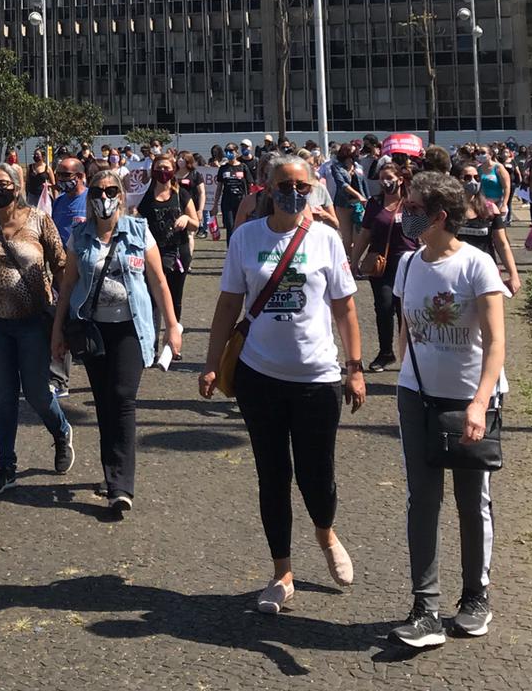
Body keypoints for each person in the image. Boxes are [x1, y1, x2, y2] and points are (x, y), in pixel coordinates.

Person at [200, 156, 365, 614]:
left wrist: (355, 368)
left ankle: (326, 532)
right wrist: (211, 363)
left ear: (312, 189)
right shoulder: (246, 238)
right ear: (267, 188)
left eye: (301, 186)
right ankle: (282, 572)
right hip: (259, 376)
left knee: (317, 474)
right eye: (284, 185)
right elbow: (228, 304)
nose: (293, 193)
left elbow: (345, 308)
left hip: (317, 377)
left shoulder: (326, 239)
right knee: (272, 476)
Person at [390, 172, 507, 649]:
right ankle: (425, 608)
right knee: (422, 498)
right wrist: (406, 376)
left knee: (471, 499)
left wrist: (480, 402)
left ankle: (476, 597)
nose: (405, 213)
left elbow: (496, 342)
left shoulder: (477, 265)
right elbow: (405, 329)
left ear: (440, 216)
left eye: (414, 207)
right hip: (417, 396)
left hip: (470, 400)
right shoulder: (407, 264)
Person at [51, 169, 182, 514]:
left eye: (111, 191)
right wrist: (57, 332)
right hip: (93, 330)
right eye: (98, 191)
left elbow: (159, 281)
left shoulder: (139, 231)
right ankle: (112, 472)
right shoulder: (80, 236)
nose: (104, 197)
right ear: (90, 197)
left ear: (121, 196)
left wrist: (173, 326)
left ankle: (121, 485)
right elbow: (67, 286)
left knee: (123, 397)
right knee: (104, 402)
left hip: (130, 328)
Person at [0, 163, 74, 496]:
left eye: (3, 183)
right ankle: (6, 465)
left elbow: (62, 266)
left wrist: (65, 317)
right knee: (4, 397)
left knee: (38, 394)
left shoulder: (39, 220)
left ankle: (61, 431)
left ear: (17, 186)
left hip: (33, 322)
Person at [348, 162, 418, 372]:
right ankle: (386, 352)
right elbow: (365, 234)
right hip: (380, 264)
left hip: (408, 263)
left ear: (400, 179)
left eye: (390, 178)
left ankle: (410, 355)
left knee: (405, 310)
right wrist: (354, 261)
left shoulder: (411, 203)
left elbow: (422, 234)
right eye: (382, 179)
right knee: (384, 307)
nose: (386, 182)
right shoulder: (374, 203)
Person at [135, 153, 196, 343]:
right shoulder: (145, 197)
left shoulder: (181, 195)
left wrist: (186, 219)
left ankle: (173, 342)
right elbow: (137, 222)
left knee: (175, 298)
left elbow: (196, 223)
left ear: (173, 170)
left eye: (166, 168)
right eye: (159, 168)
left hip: (178, 253)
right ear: (153, 170)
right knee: (153, 299)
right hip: (154, 254)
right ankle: (151, 345)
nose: (162, 172)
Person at [455, 162, 522, 294]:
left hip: (485, 272)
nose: (473, 182)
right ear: (456, 181)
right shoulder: (448, 211)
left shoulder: (490, 209)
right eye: (467, 178)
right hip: (456, 273)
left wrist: (513, 275)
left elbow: (502, 244)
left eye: (477, 178)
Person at [331, 143, 368, 253]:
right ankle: (346, 259)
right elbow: (342, 184)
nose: (356, 154)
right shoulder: (336, 167)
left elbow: (364, 185)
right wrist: (358, 195)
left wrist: (367, 199)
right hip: (343, 205)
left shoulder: (359, 167)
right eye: (353, 152)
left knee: (358, 237)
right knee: (347, 239)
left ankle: (355, 260)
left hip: (359, 205)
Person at [216, 145, 253, 241]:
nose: (228, 153)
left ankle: (241, 246)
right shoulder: (223, 168)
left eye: (231, 151)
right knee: (230, 226)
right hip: (227, 201)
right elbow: (219, 187)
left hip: (241, 201)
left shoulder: (243, 167)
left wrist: (250, 201)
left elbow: (250, 185)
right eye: (226, 151)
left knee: (241, 226)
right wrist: (215, 204)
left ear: (236, 152)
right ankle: (230, 247)